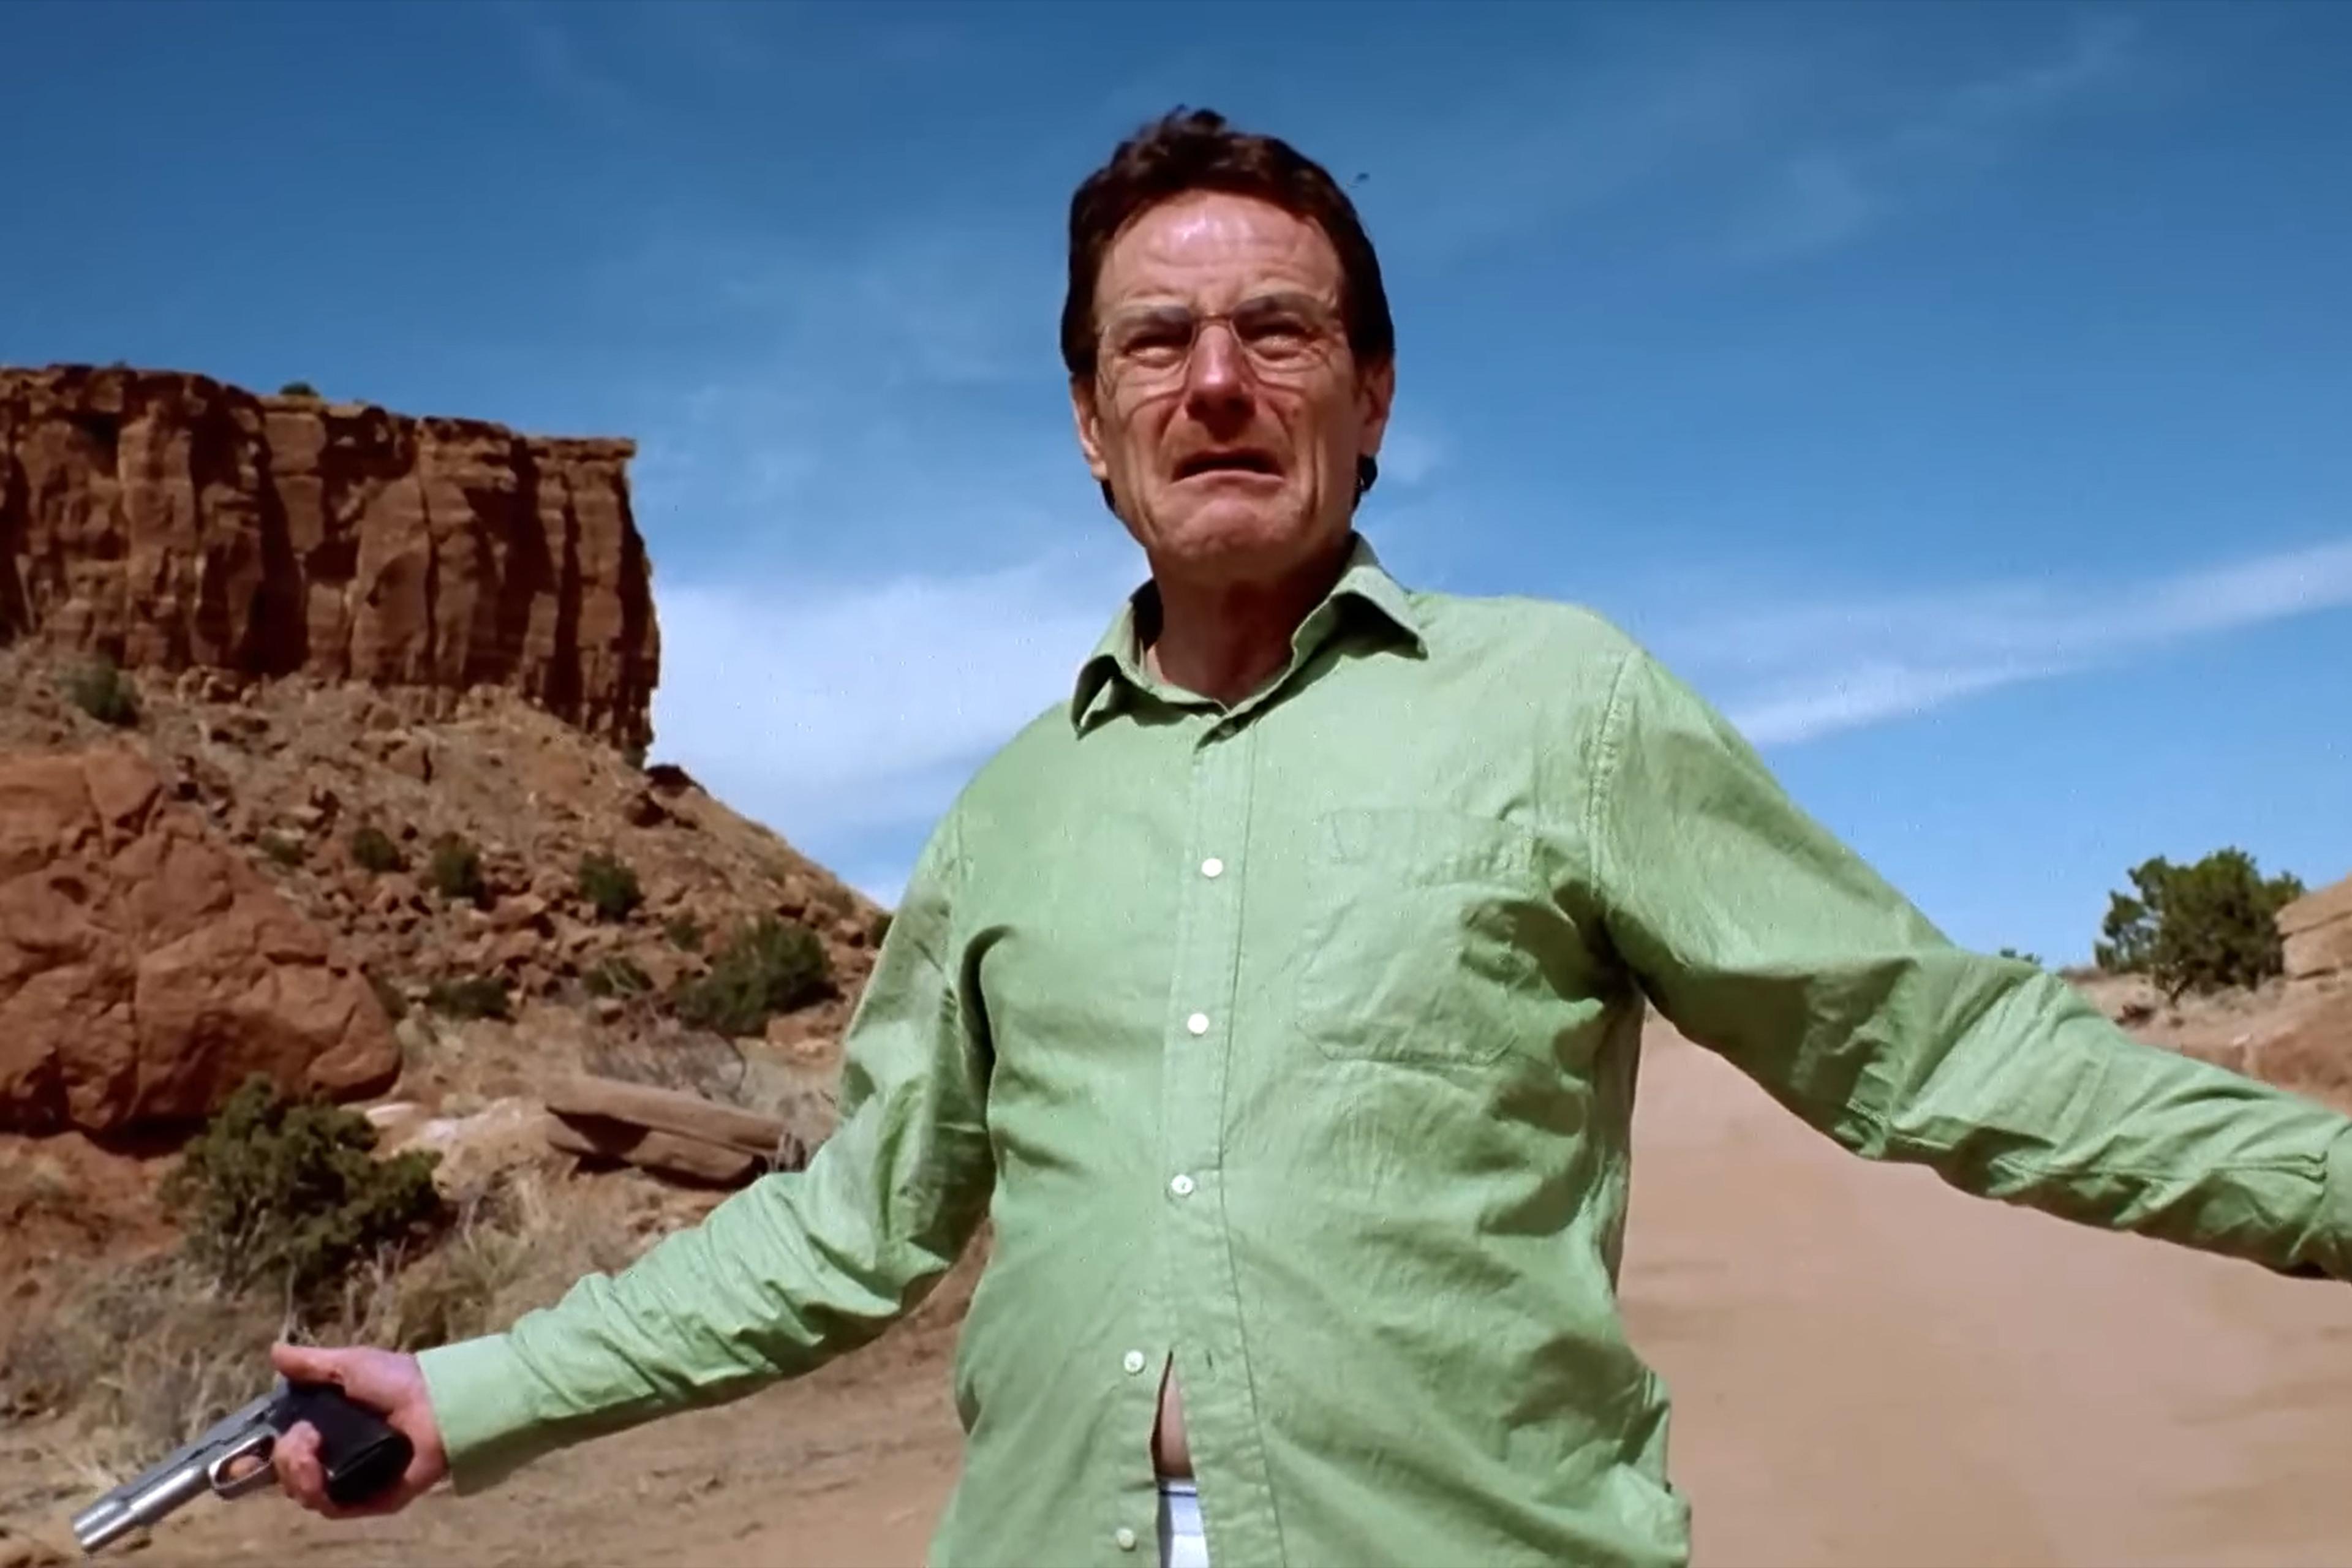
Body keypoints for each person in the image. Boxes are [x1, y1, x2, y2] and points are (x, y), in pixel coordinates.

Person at [262, 108, 2352, 1568]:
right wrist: (481, 1392)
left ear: (1370, 391)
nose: (1220, 379)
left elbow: (1940, 1047)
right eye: (1156, 342)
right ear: (1092, 423)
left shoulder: (1561, 706)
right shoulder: (1010, 814)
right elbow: (857, 1224)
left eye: (1281, 330)